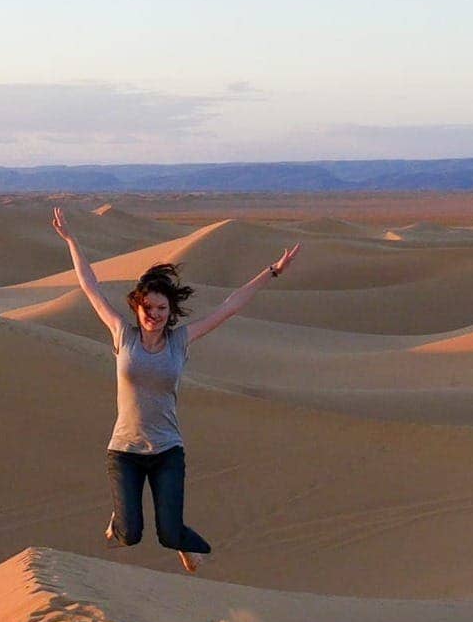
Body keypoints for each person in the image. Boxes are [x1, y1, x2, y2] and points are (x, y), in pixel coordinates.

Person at [51, 206, 300, 572]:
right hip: (124, 451)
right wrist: (72, 240)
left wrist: (272, 271)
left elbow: (229, 307)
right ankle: (120, 520)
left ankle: (179, 540)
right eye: (148, 307)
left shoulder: (180, 341)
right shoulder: (123, 335)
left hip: (168, 450)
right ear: (137, 308)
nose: (155, 314)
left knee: (170, 535)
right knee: (130, 536)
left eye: (162, 308)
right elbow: (91, 288)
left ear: (171, 310)